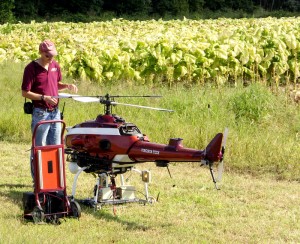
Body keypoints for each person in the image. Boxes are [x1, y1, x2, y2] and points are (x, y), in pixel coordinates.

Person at [21, 39, 78, 179]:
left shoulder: (55, 66)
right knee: (39, 146)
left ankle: (52, 179)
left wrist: (67, 86)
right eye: (48, 55)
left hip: (55, 112)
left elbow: (55, 83)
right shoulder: (31, 68)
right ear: (40, 53)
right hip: (40, 112)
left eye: (52, 55)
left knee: (56, 145)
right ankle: (38, 180)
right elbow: (25, 92)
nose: (50, 58)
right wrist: (43, 98)